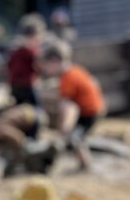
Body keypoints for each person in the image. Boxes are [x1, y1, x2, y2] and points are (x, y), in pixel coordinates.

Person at [38, 38, 105, 171]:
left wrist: (64, 128)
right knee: (77, 137)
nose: (44, 68)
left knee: (74, 137)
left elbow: (67, 106)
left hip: (89, 112)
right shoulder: (75, 70)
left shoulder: (67, 78)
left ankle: (86, 164)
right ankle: (84, 163)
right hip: (94, 108)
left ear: (55, 61)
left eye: (46, 64)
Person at [6, 13, 45, 107]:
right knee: (37, 109)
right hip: (27, 84)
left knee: (19, 108)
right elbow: (38, 66)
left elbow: (9, 65)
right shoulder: (31, 49)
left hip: (14, 84)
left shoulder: (15, 48)